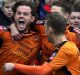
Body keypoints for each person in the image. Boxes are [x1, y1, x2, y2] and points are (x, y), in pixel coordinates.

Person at [3, 13, 80, 75]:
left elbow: (43, 71)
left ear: (50, 30)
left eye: (45, 28)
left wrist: (14, 66)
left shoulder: (67, 49)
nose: (44, 32)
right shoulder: (61, 47)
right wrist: (12, 26)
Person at [0, 1, 42, 75]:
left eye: (25, 14)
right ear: (14, 16)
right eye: (18, 13)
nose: (21, 16)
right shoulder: (4, 32)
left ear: (32, 19)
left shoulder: (38, 38)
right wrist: (12, 26)